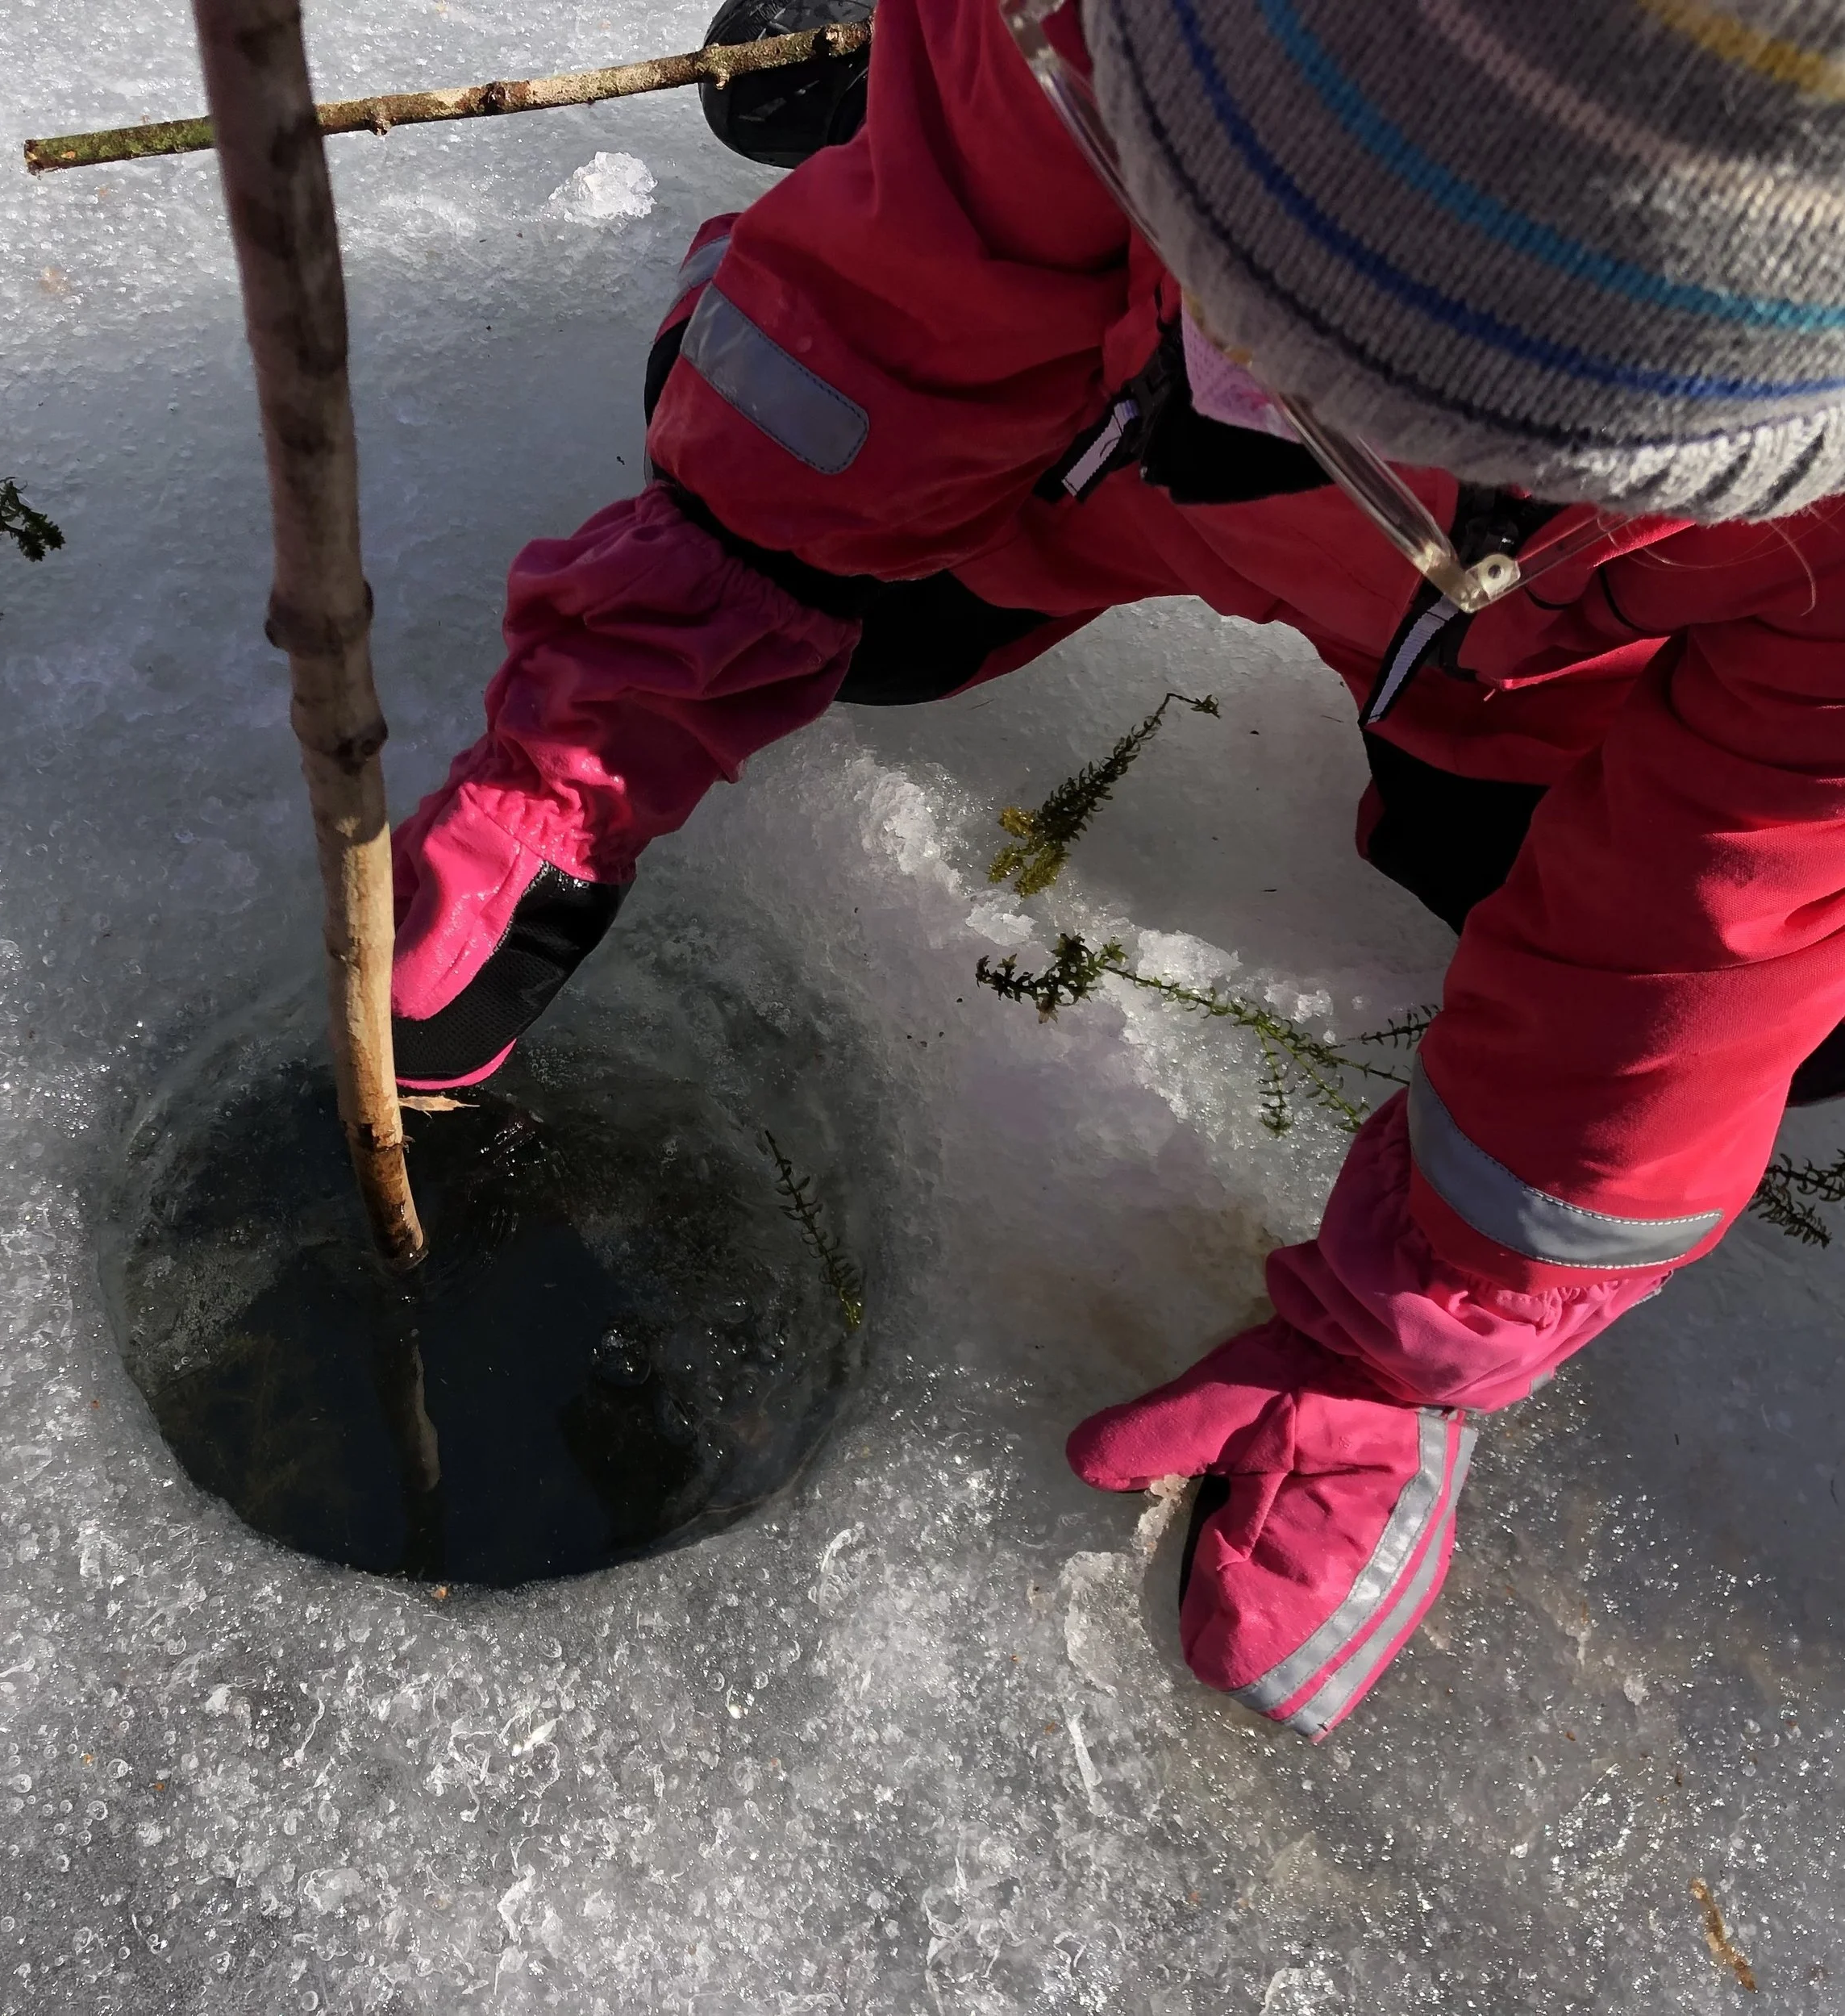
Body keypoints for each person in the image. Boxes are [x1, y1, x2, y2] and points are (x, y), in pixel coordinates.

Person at [387, 0, 1845, 1739]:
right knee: (810, 479)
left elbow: (1700, 943)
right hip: (1088, 445)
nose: (1272, 375)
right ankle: (888, 75)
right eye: (1253, 285)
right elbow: (867, 334)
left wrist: (1415, 1340)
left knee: (1807, 1022)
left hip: (1532, 665)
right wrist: (585, 749)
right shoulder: (1088, 33)